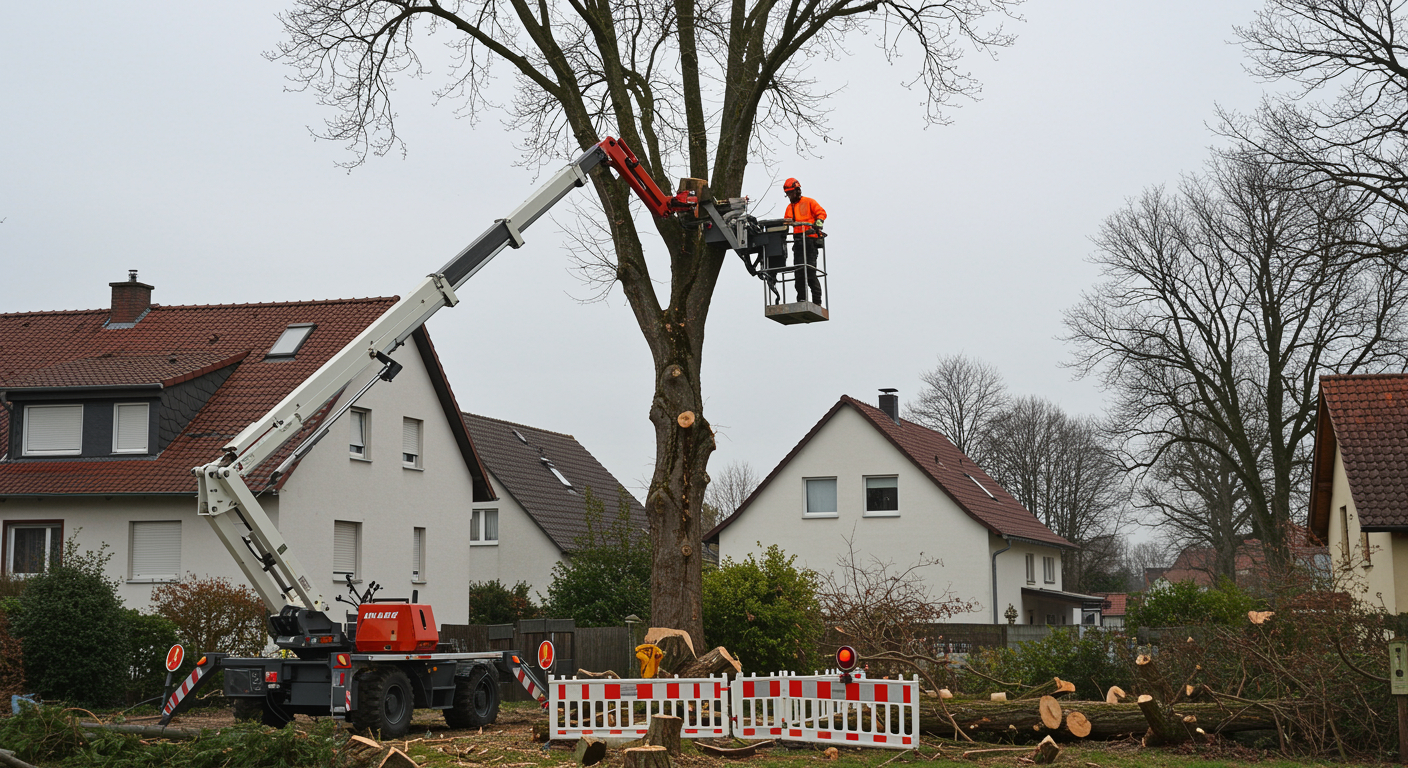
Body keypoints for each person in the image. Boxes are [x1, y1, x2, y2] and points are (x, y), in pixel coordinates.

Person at [783, 178, 826, 304]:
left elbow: (821, 213)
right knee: (799, 273)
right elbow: (786, 223)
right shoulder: (789, 208)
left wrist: (818, 222)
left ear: (797, 190)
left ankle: (817, 301)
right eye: (788, 194)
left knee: (810, 272)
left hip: (810, 241)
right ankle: (801, 300)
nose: (790, 196)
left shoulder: (809, 202)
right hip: (798, 242)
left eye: (791, 192)